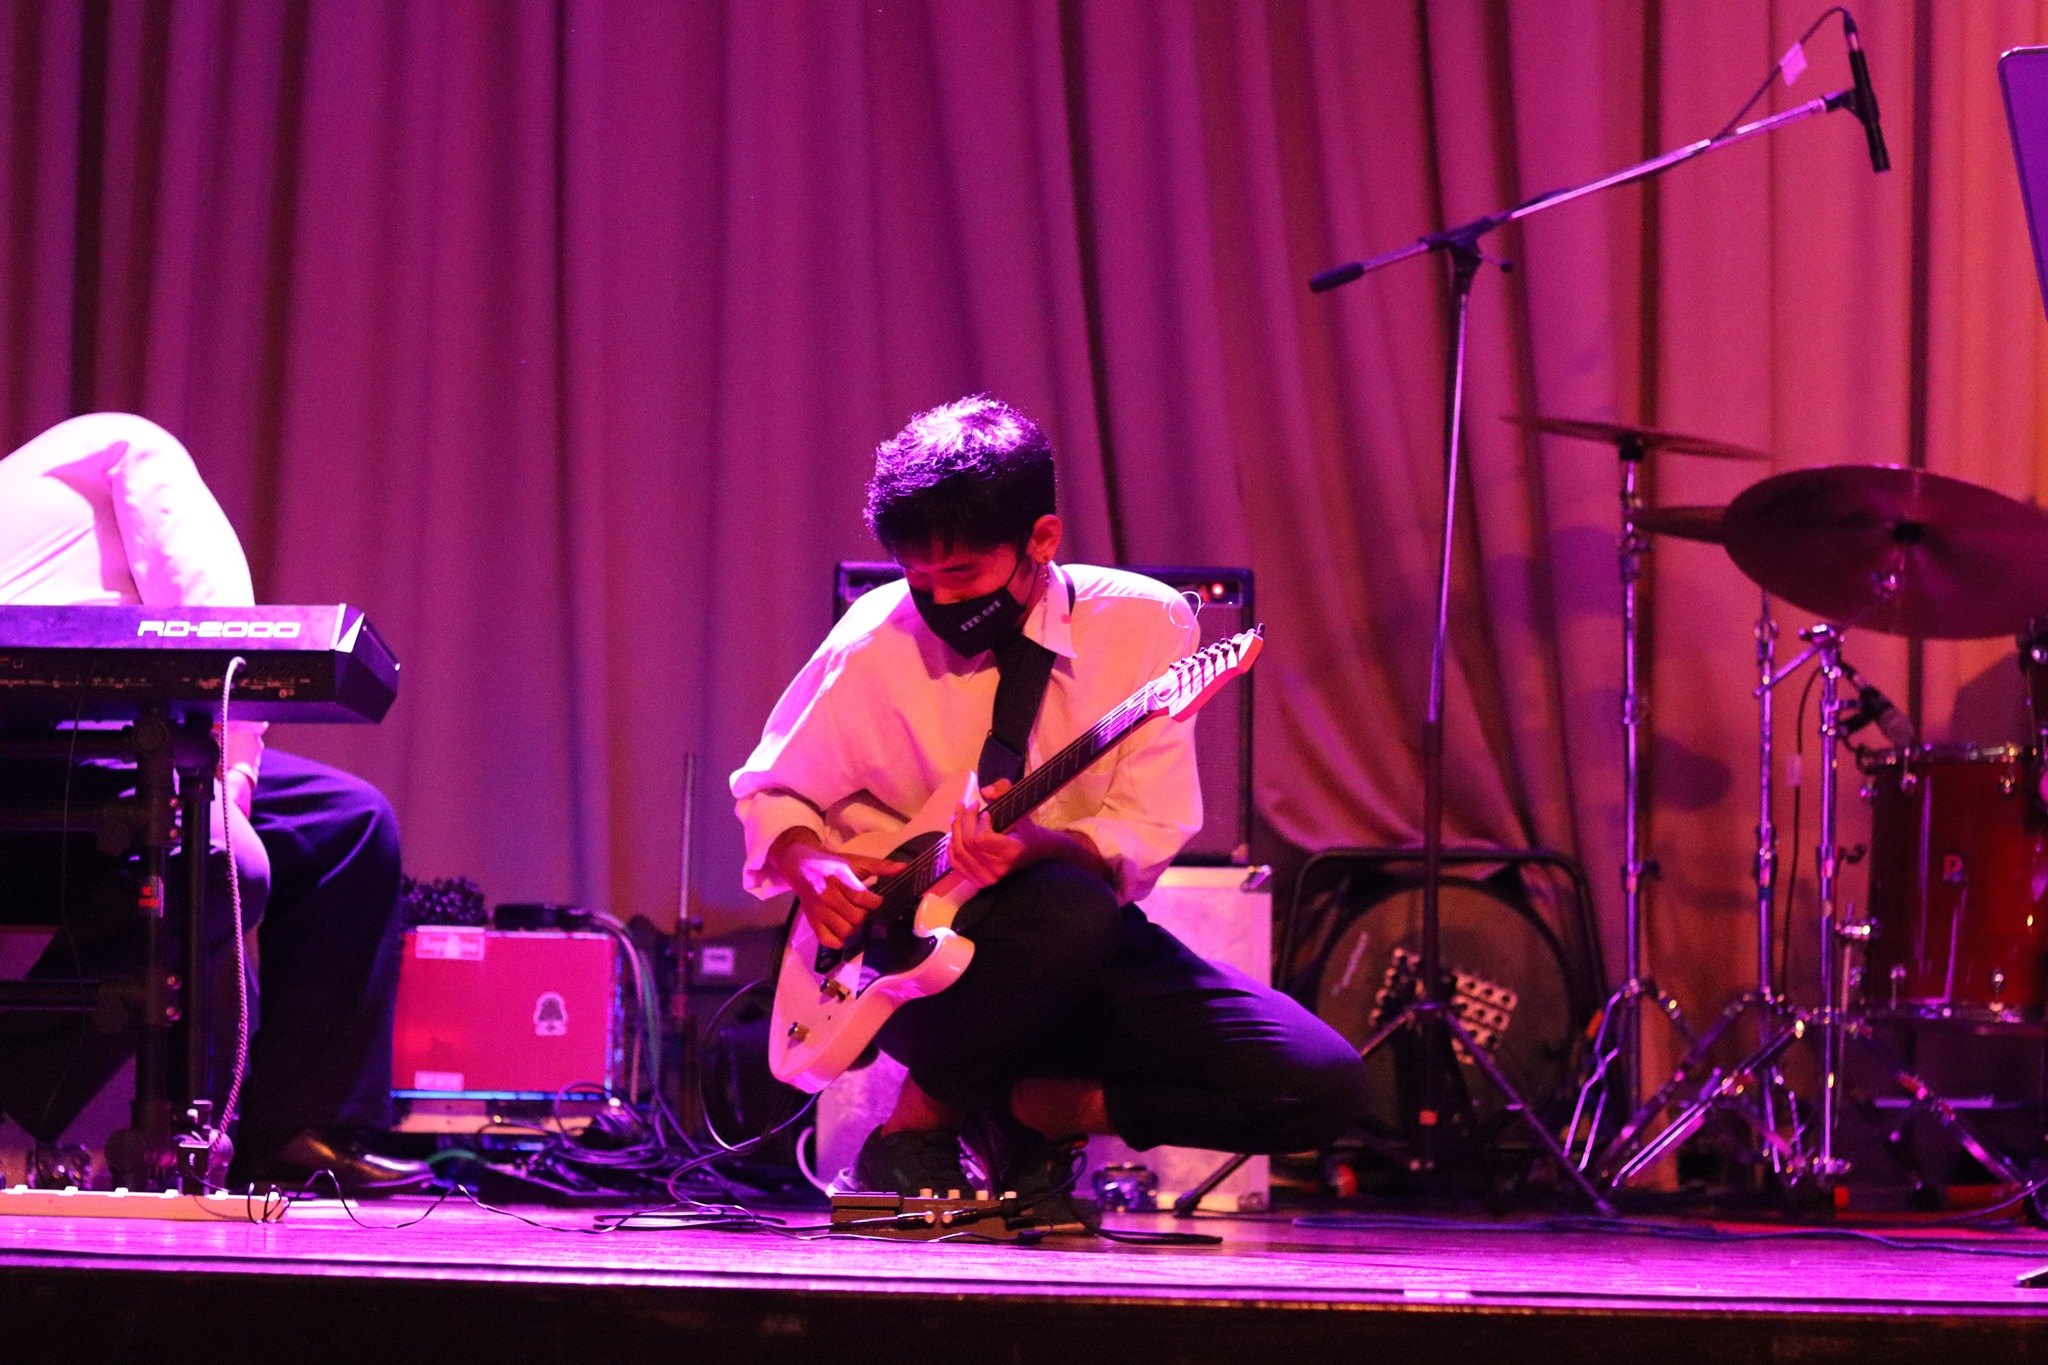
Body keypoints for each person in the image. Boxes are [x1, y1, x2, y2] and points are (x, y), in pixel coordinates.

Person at [732, 395, 1365, 1218]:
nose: (936, 597)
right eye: (916, 576)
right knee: (1068, 908)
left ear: (1042, 537)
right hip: (914, 972)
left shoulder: (1143, 624)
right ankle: (914, 1126)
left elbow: (1145, 830)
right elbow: (773, 786)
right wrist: (809, 863)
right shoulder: (873, 636)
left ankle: (1035, 1109)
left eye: (962, 573)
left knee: (1318, 1084)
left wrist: (1039, 846)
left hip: (1078, 940)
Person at [0, 411, 428, 1194]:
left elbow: (197, 639)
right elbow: (212, 617)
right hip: (43, 752)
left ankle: (292, 1127)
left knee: (348, 825)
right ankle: (17, 1092)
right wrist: (231, 782)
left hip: (107, 741)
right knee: (220, 850)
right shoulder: (130, 447)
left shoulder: (71, 467)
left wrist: (229, 779)